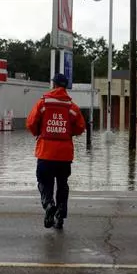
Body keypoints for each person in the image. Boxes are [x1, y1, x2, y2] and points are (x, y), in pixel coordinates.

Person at [26, 73, 86, 230]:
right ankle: (60, 216)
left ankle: (48, 204)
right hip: (65, 154)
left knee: (43, 182)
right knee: (62, 185)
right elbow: (80, 127)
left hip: (46, 151)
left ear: (53, 84)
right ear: (65, 86)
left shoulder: (43, 102)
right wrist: (68, 132)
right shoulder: (72, 106)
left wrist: (38, 133)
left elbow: (31, 122)